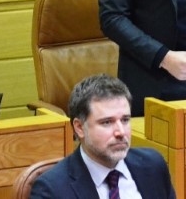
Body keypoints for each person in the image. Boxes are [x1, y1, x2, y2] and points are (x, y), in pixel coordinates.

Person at [29, 74, 176, 198]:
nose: (120, 132)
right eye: (107, 122)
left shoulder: (153, 165)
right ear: (79, 128)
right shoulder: (52, 189)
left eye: (125, 120)